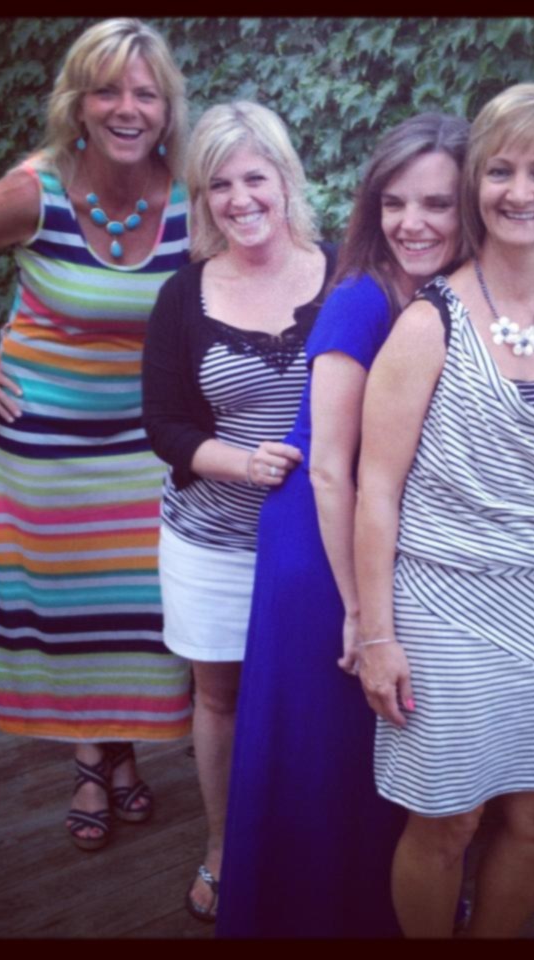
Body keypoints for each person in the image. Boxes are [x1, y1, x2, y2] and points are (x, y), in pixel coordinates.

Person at [0, 19, 193, 852]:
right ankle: (95, 757)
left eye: (145, 91)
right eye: (107, 90)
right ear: (79, 102)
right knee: (71, 608)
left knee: (138, 611)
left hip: (147, 448)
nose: (127, 108)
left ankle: (122, 748)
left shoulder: (194, 193)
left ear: (167, 107)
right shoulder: (36, 191)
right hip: (45, 443)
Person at [354, 83, 534, 938]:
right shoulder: (430, 325)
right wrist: (376, 634)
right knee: (448, 822)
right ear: (477, 184)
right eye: (499, 169)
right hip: (442, 604)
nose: (519, 191)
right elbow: (376, 491)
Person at [214, 113, 470, 938]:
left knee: (371, 756)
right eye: (393, 202)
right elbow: (328, 465)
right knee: (324, 755)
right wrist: (361, 608)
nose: (412, 222)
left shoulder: (447, 294)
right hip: (325, 552)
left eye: (437, 202)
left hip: (376, 539)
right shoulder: (362, 294)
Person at [141, 100, 336, 923]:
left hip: (324, 540)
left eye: (255, 176)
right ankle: (223, 848)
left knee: (322, 697)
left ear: (287, 178)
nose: (239, 198)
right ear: (203, 198)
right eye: (218, 184)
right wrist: (244, 463)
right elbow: (167, 426)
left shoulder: (349, 276)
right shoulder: (184, 295)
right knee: (218, 697)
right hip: (215, 538)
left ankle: (319, 846)